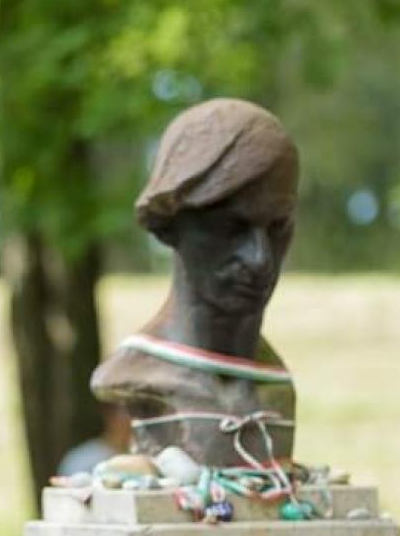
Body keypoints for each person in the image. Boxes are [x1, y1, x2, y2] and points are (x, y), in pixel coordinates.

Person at [91, 98, 298, 466]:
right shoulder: (138, 376)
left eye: (277, 227)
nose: (260, 258)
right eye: (231, 229)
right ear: (168, 225)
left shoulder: (275, 387)